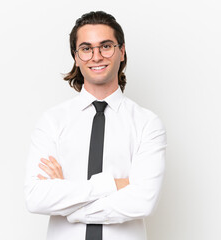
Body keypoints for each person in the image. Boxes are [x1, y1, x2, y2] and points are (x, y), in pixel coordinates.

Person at [25, 11, 167, 240]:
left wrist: (69, 201)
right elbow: (36, 197)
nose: (96, 56)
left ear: (121, 52)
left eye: (106, 46)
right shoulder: (52, 121)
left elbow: (143, 201)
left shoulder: (147, 124)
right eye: (86, 48)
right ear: (76, 56)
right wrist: (112, 185)